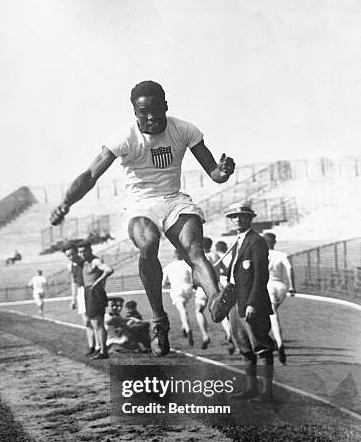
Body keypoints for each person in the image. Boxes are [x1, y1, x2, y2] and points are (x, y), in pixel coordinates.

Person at [50, 80, 236, 356]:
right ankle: (159, 321)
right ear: (135, 113)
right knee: (148, 243)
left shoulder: (184, 129)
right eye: (142, 112)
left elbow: (214, 173)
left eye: (155, 111)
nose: (150, 118)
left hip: (174, 199)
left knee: (194, 249)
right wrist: (65, 203)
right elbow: (91, 175)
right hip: (140, 205)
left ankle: (215, 300)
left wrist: (223, 171)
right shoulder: (124, 137)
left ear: (166, 107)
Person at [225, 203, 275, 400]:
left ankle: (266, 392)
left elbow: (261, 276)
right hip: (236, 303)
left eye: (242, 216)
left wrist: (252, 303)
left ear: (250, 218)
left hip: (252, 304)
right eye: (234, 217)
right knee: (244, 346)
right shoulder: (238, 242)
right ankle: (251, 388)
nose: (237, 219)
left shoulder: (257, 241)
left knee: (261, 345)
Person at [262, 232, 296, 364]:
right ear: (274, 242)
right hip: (281, 286)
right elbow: (290, 267)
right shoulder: (281, 255)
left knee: (272, 315)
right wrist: (292, 286)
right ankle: (278, 341)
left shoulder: (260, 255)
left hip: (268, 286)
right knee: (272, 312)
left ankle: (279, 343)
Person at [77, 241, 113, 360]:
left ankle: (103, 351)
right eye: (80, 252)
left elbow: (109, 270)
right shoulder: (84, 263)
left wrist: (98, 281)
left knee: (98, 322)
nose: (82, 254)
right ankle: (99, 349)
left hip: (95, 293)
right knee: (93, 323)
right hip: (88, 292)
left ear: (90, 250)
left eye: (84, 251)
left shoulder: (95, 261)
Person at [63, 242, 96, 355]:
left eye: (72, 254)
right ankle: (91, 346)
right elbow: (73, 282)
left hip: (90, 290)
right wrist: (73, 299)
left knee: (94, 320)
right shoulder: (70, 266)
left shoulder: (85, 262)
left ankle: (98, 346)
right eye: (68, 255)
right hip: (81, 292)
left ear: (76, 252)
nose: (71, 257)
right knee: (86, 321)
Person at [162, 249, 195, 346]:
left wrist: (169, 282)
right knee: (183, 308)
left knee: (182, 310)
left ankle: (188, 329)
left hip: (177, 289)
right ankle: (184, 327)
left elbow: (163, 283)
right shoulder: (187, 264)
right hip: (188, 288)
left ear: (174, 256)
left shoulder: (168, 267)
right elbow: (193, 277)